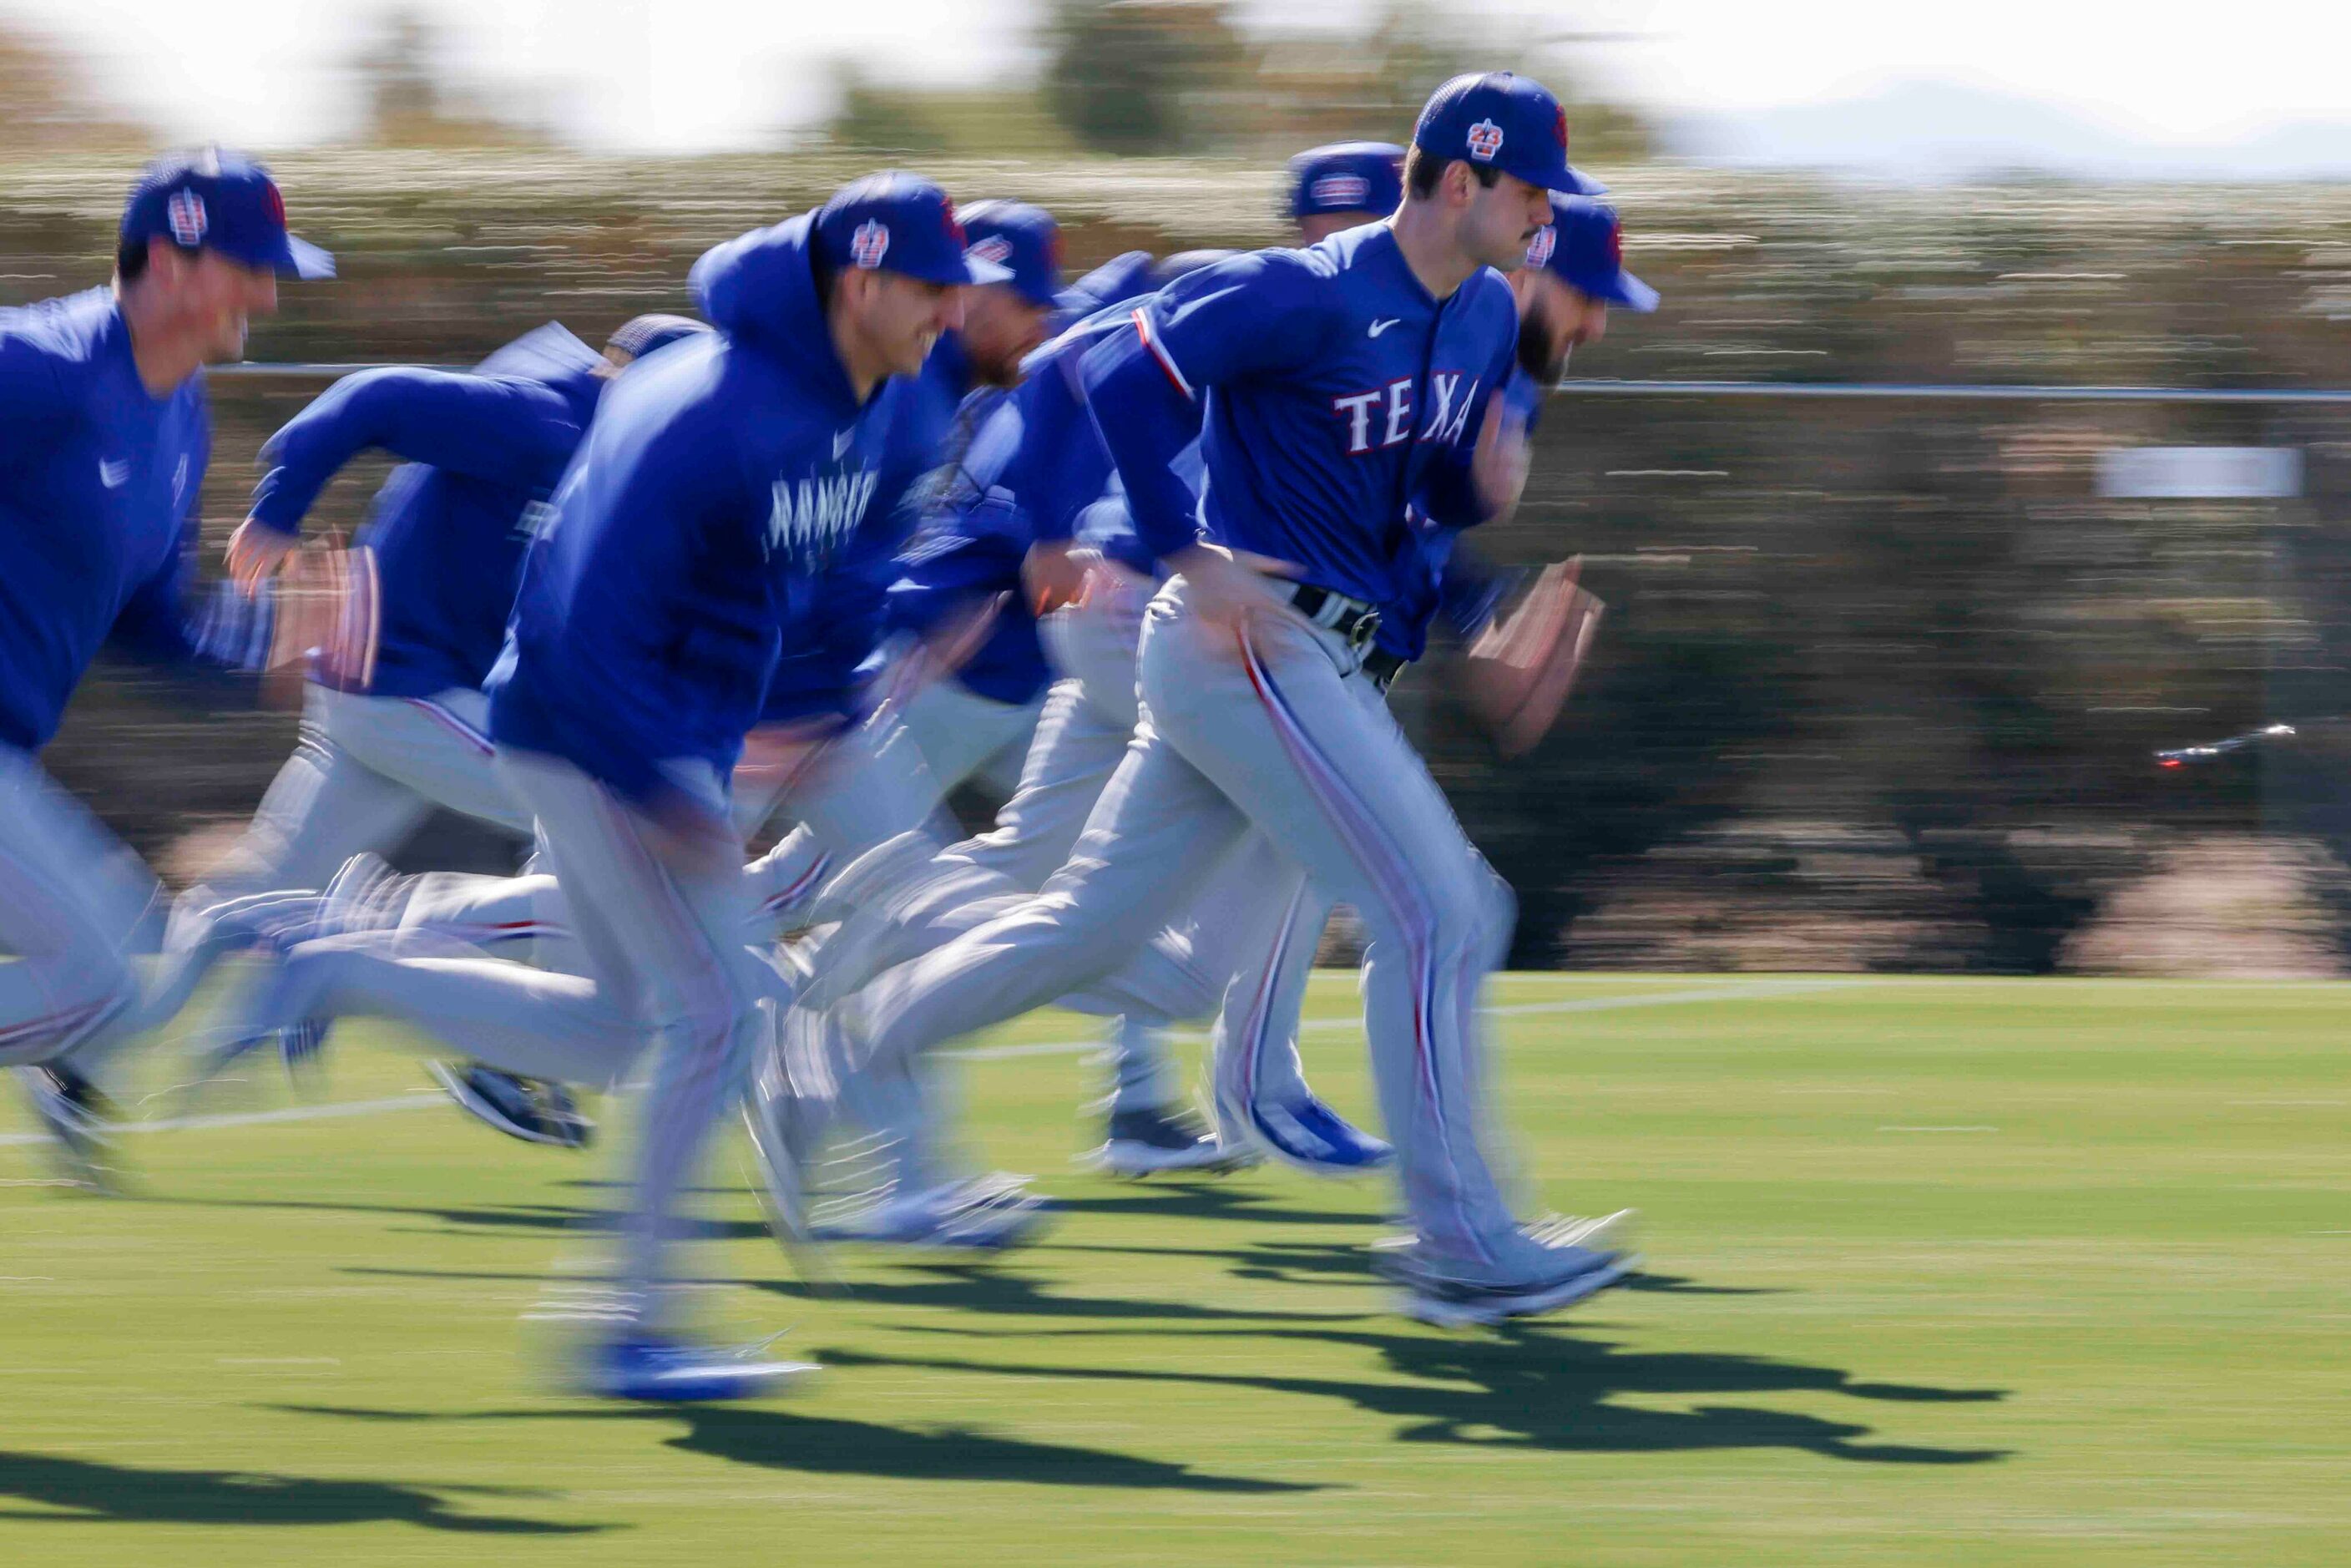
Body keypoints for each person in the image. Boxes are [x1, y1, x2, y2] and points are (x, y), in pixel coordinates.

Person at [761, 73, 1642, 1327]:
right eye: (1531, 188)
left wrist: (1470, 503)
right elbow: (1108, 373)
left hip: (1311, 655)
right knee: (1445, 911)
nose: (1545, 212)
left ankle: (831, 1059)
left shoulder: (1486, 318)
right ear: (1463, 181)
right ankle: (1464, 1242)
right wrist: (1183, 546)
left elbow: (1405, 494)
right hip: (1254, 647)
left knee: (1084, 932)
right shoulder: (1309, 289)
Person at [219, 173, 1008, 1399]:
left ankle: (340, 965)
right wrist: (669, 787)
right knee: (722, 1013)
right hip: (582, 722)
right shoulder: (707, 411)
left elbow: (838, 590)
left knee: (607, 1026)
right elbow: (587, 622)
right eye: (931, 288)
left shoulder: (894, 413)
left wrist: (816, 721)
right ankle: (627, 1325)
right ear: (857, 280)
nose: (950, 315)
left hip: (672, 723)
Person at [179, 313, 708, 1146]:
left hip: (385, 691)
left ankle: (85, 1049)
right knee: (591, 814)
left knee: (253, 896)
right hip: (400, 690)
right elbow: (371, 394)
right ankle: (459, 1012)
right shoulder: (546, 417)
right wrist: (279, 510)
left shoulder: (605, 445)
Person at [2, 147, 334, 1184]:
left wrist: (270, 649)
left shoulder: (178, 416)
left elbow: (153, 621)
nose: (270, 295)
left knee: (112, 980)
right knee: (99, 985)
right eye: (251, 265)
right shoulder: (40, 368)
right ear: (172, 260)